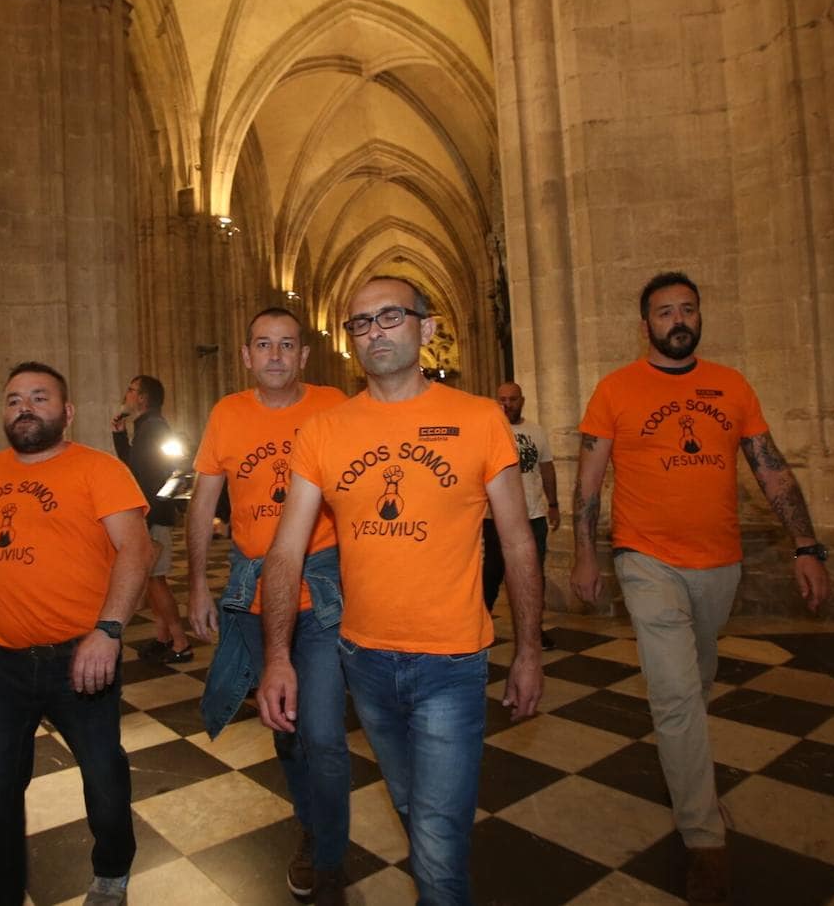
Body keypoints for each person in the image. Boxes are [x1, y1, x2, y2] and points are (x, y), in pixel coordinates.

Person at [257, 276, 544, 905]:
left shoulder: (477, 418)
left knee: (438, 850)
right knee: (414, 806)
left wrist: (528, 651)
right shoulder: (325, 432)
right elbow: (285, 551)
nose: (374, 332)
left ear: (427, 328)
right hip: (364, 659)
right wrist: (278, 655)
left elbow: (518, 543)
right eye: (360, 323)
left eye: (390, 316)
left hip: (452, 661)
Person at [569, 271, 832, 904]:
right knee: (677, 694)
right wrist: (585, 554)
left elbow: (771, 470)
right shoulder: (615, 390)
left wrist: (807, 544)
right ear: (646, 325)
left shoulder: (733, 386)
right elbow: (587, 484)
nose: (678, 320)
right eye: (664, 312)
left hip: (720, 564)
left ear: (699, 316)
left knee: (698, 681)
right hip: (645, 560)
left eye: (687, 309)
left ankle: (682, 764)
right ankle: (703, 838)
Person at [0, 361, 152, 906]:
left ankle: (111, 870)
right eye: (14, 399)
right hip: (0, 662)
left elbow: (137, 548)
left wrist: (109, 631)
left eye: (39, 398)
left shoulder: (98, 469)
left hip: (79, 659)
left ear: (67, 412)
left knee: (103, 778)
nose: (25, 408)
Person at [187, 307, 351, 903]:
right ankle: (311, 823)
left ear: (304, 355)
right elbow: (203, 502)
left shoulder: (333, 403)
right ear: (247, 355)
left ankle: (330, 856)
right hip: (255, 588)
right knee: (284, 726)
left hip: (322, 584)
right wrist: (200, 586)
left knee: (324, 731)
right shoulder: (227, 414)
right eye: (264, 345)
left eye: (287, 345)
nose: (276, 355)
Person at [112, 375, 192, 663]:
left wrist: (144, 518)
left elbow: (148, 479)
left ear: (143, 399)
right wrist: (120, 434)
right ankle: (163, 637)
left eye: (131, 390)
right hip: (152, 514)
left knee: (157, 581)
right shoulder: (147, 427)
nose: (127, 395)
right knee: (153, 580)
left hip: (152, 516)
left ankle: (180, 642)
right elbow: (134, 469)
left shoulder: (153, 428)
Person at [483, 381, 560, 650]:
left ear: (522, 401)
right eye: (502, 399)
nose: (507, 404)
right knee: (491, 573)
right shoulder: (489, 430)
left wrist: (554, 504)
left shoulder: (536, 431)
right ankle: (481, 626)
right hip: (495, 516)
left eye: (512, 399)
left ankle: (534, 630)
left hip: (533, 513)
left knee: (534, 574)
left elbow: (547, 469)